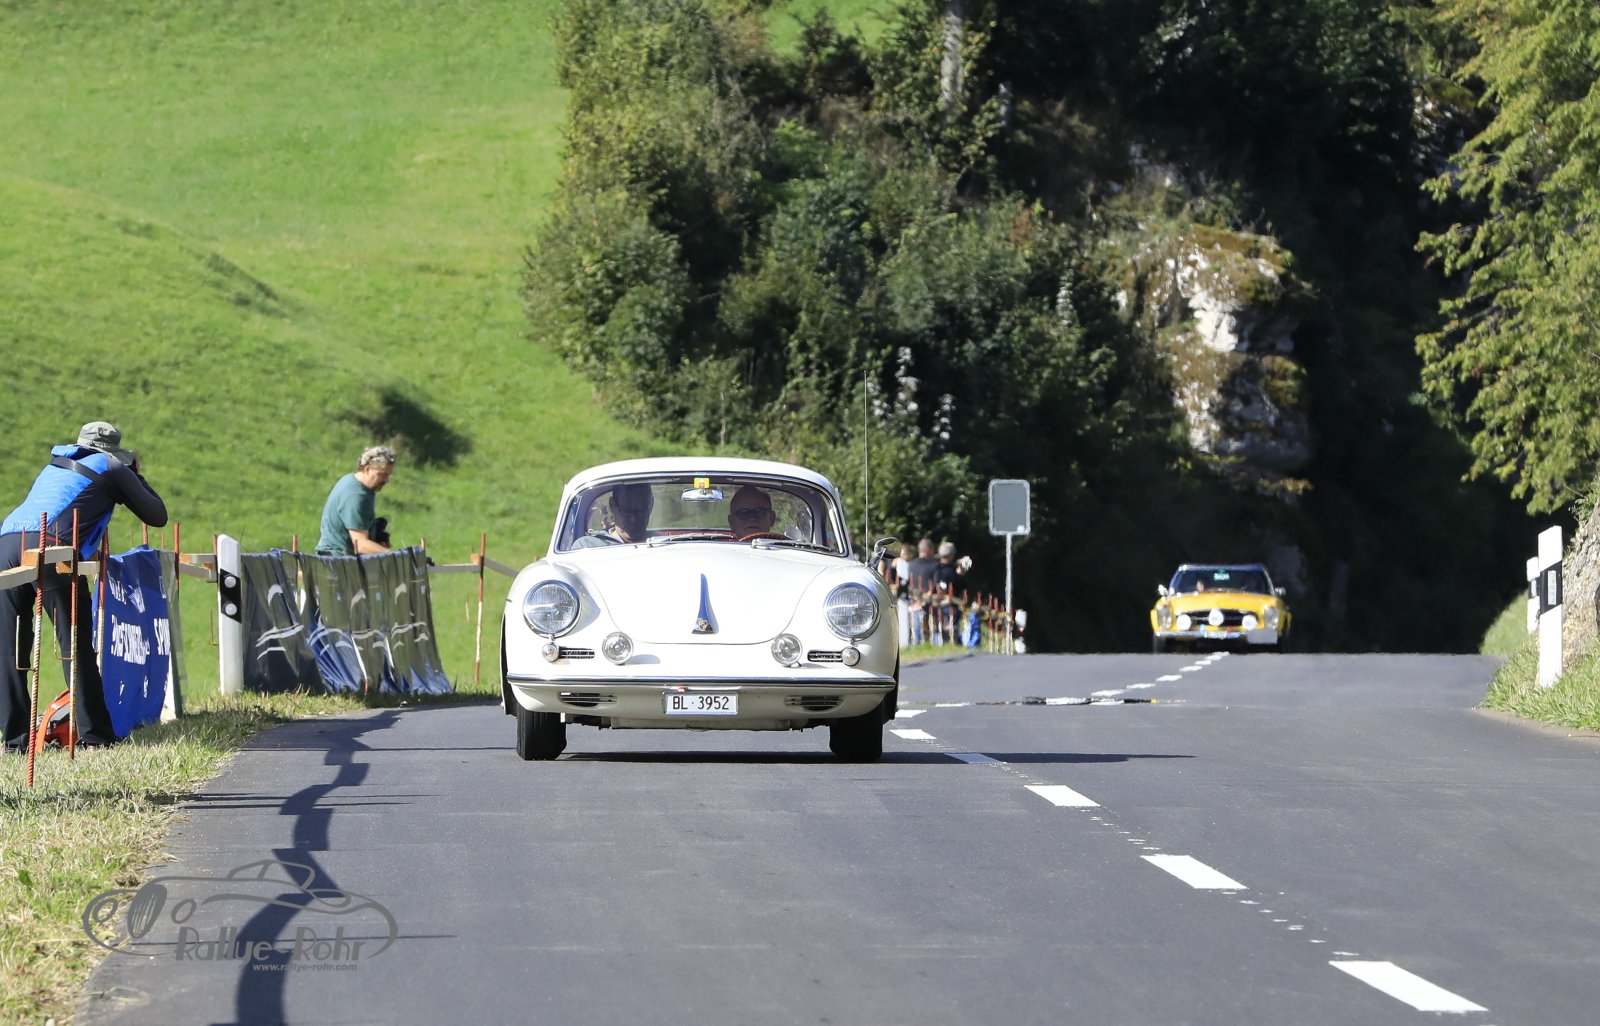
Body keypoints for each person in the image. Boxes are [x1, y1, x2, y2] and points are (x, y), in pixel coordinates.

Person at [0, 421, 168, 752]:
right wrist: (134, 474)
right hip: (52, 547)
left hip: (5, 544)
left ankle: (16, 742)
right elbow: (157, 515)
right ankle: (95, 737)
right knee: (74, 647)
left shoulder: (56, 463)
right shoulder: (111, 466)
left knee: (9, 649)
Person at [316, 446, 396, 556]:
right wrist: (393, 555)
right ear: (367, 469)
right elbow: (361, 545)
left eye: (388, 475)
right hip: (338, 560)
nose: (386, 480)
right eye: (382, 475)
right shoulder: (356, 496)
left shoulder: (353, 481)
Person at [572, 483, 654, 546]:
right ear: (612, 506)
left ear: (651, 506)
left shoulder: (660, 543)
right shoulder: (586, 546)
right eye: (627, 511)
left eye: (641, 511)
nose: (634, 519)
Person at [928, 540, 973, 644]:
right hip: (952, 605)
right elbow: (963, 588)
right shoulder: (953, 572)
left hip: (934, 605)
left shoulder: (934, 568)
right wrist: (960, 574)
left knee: (938, 629)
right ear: (952, 555)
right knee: (952, 629)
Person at [905, 538, 940, 645]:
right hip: (931, 603)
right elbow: (936, 585)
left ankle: (917, 643)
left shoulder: (910, 565)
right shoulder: (936, 565)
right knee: (934, 631)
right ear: (930, 550)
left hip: (914, 603)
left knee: (916, 631)